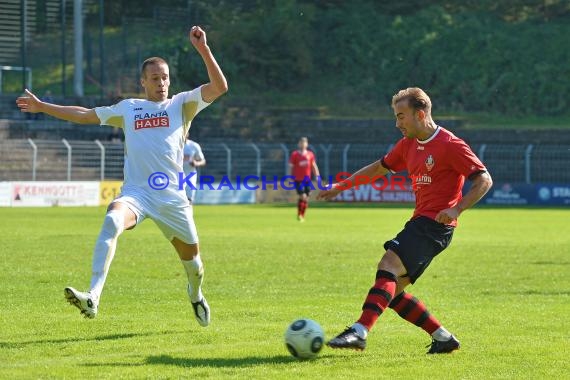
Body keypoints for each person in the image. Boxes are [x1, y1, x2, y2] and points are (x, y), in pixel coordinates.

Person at [16, 26, 228, 327]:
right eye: (155, 78)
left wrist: (204, 50)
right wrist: (41, 107)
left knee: (194, 265)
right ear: (143, 82)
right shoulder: (129, 109)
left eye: (165, 77)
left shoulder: (182, 104)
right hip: (137, 194)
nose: (162, 83)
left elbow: (220, 87)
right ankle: (93, 296)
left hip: (172, 199)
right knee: (112, 220)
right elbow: (85, 114)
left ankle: (195, 295)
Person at [317, 87, 492, 354]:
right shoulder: (408, 144)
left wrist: (457, 209)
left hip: (434, 225)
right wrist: (341, 186)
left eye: (401, 116)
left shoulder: (450, 145)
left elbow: (483, 180)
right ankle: (443, 338)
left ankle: (359, 331)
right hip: (424, 223)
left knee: (388, 263)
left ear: (420, 114)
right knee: (391, 292)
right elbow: (378, 168)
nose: (397, 123)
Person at [289, 137, 321, 222]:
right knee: (302, 196)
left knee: (306, 198)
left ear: (307, 144)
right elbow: (291, 167)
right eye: (301, 143)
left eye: (304, 143)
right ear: (299, 144)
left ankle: (302, 215)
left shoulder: (310, 154)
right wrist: (290, 177)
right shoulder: (295, 154)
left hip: (307, 180)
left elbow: (313, 166)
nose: (303, 144)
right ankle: (300, 215)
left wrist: (317, 175)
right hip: (298, 180)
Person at [183, 137, 206, 203]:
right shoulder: (173, 144)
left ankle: (188, 213)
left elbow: (203, 161)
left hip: (190, 175)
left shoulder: (193, 145)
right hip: (175, 175)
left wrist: (196, 163)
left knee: (189, 199)